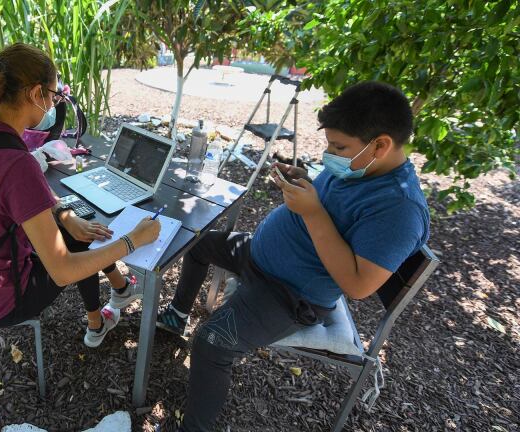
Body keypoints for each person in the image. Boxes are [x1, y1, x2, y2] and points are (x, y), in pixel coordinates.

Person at [156, 81, 430, 431]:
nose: (330, 153)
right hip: (257, 254)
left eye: (338, 146)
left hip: (289, 294)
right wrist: (308, 181)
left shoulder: (399, 209)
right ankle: (178, 314)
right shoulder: (362, 165)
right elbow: (338, 208)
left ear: (380, 145)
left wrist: (312, 212)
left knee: (211, 344)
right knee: (195, 244)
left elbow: (359, 285)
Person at [0, 43, 160, 347]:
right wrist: (132, 241)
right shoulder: (16, 162)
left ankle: (116, 294)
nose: (53, 105)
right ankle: (100, 316)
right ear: (36, 94)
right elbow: (63, 271)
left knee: (80, 228)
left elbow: (28, 189)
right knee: (78, 244)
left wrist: (64, 213)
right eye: (54, 96)